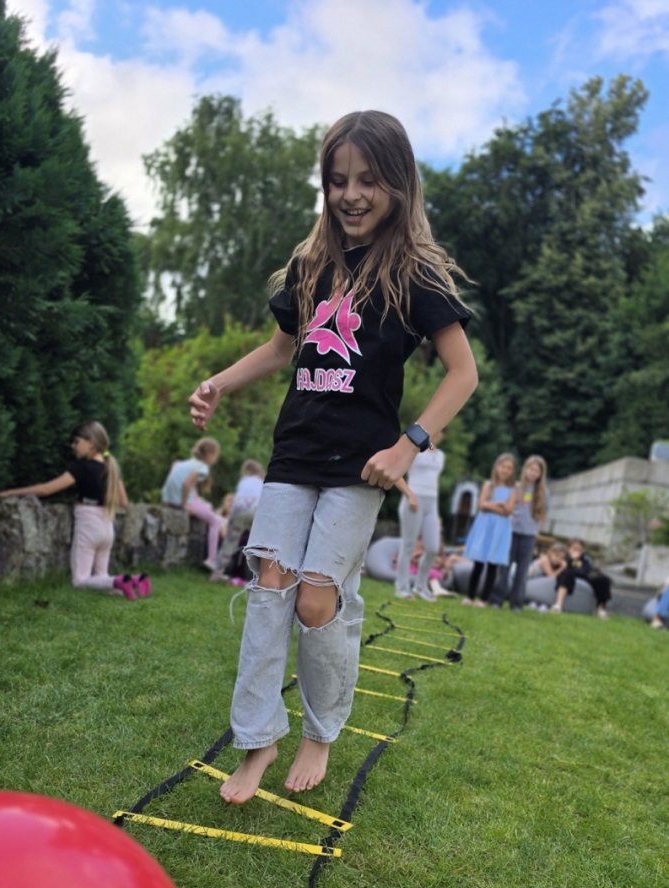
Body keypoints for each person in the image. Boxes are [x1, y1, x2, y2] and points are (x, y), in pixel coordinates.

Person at [187, 110, 477, 803]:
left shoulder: (415, 273)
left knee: (317, 601)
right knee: (270, 588)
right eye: (338, 180)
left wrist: (407, 446)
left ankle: (320, 732)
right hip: (294, 455)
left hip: (359, 468)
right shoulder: (311, 264)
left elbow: (462, 374)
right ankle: (258, 739)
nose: (351, 194)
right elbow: (281, 349)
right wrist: (218, 383)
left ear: (398, 184)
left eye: (367, 181)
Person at [0, 421, 147, 599]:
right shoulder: (111, 467)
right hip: (107, 529)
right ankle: (136, 581)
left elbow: (46, 489)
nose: (72, 446)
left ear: (91, 443)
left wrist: (9, 493)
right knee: (101, 577)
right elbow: (124, 502)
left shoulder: (82, 467)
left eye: (76, 441)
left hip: (88, 528)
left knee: (80, 581)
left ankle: (120, 581)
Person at [491, 455, 549, 612]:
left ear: (540, 474)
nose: (533, 473)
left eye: (536, 471)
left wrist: (537, 530)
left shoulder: (543, 493)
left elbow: (544, 513)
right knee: (504, 567)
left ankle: (516, 603)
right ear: (525, 469)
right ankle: (497, 599)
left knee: (522, 570)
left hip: (528, 535)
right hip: (511, 531)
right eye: (531, 469)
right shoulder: (516, 488)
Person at [395, 431, 446, 601]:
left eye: (442, 431)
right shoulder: (415, 450)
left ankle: (420, 586)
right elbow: (397, 473)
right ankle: (402, 588)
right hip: (413, 501)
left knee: (432, 548)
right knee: (408, 545)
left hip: (432, 504)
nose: (438, 434)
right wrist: (410, 495)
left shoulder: (440, 456)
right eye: (436, 430)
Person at [462, 454, 517, 607]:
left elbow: (508, 510)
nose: (505, 470)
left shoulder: (513, 489)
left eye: (509, 468)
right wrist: (499, 504)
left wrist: (490, 505)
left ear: (513, 471)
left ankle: (483, 599)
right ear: (497, 467)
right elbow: (481, 505)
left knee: (493, 565)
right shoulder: (488, 485)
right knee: (478, 563)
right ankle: (470, 596)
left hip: (499, 529)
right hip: (485, 527)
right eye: (503, 467)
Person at [161, 438, 221, 569]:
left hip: (168, 500)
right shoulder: (203, 468)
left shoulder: (181, 463)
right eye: (216, 456)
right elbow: (187, 484)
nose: (216, 460)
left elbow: (183, 481)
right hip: (180, 502)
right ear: (210, 454)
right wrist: (185, 504)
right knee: (215, 521)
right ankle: (212, 559)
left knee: (207, 506)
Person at [210, 460, 265, 583]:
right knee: (261, 543)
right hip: (255, 510)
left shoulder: (243, 481)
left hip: (239, 510)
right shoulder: (262, 481)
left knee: (229, 543)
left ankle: (217, 573)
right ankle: (262, 576)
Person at [551, 539, 612, 618]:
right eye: (574, 548)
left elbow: (585, 571)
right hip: (566, 576)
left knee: (604, 580)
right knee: (568, 573)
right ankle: (558, 605)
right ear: (569, 548)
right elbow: (561, 567)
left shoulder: (585, 560)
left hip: (583, 578)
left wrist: (575, 568)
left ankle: (600, 609)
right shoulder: (564, 556)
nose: (577, 551)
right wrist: (571, 559)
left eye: (579, 549)